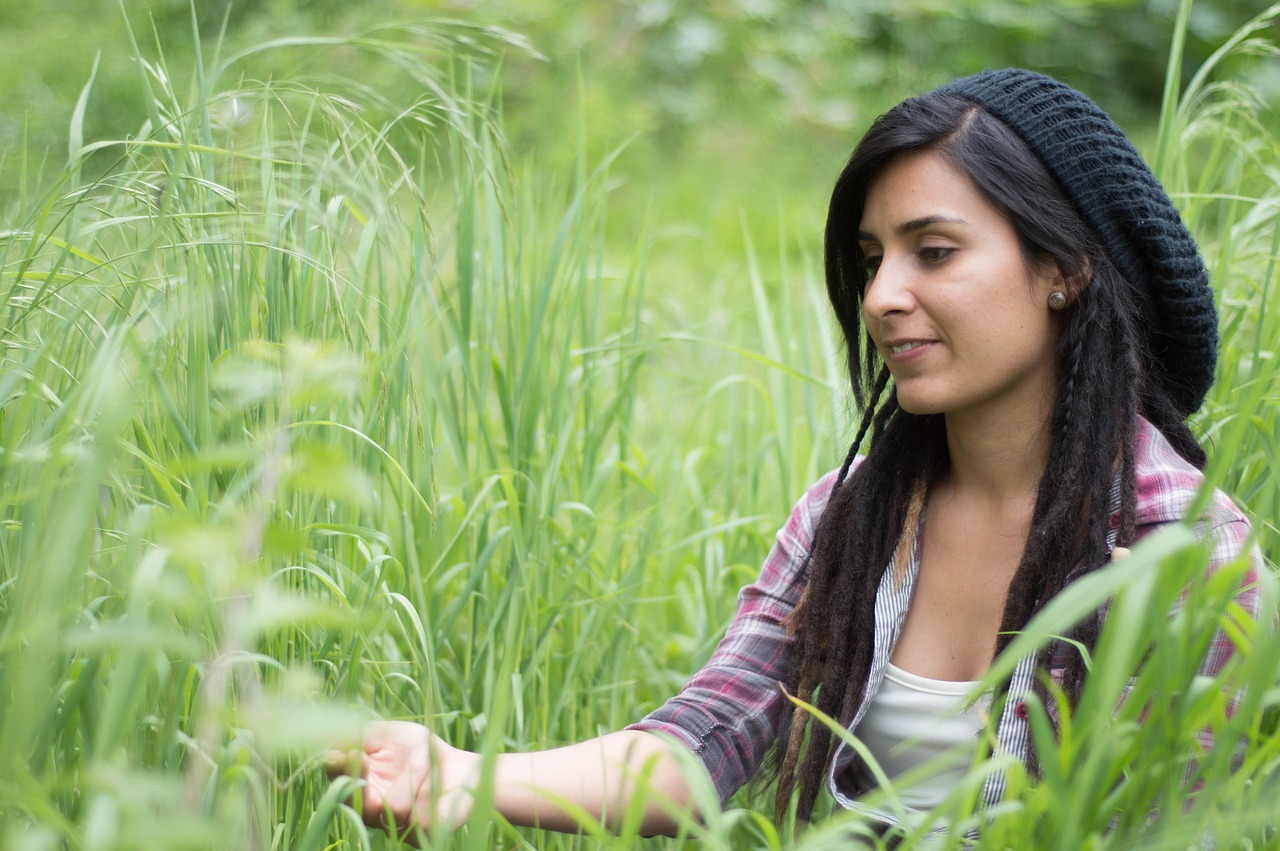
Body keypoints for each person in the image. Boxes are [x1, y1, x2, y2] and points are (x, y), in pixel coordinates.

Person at [340, 68, 1262, 841]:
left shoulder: (1180, 550)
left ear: (1065, 269)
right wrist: (462, 772)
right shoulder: (855, 516)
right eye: (872, 259)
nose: (883, 296)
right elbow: (705, 742)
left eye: (933, 252)